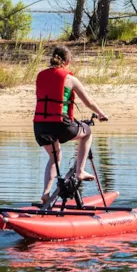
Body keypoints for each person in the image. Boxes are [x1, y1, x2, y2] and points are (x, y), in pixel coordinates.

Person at [33, 46, 108, 202]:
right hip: (61, 125)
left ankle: (46, 193)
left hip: (40, 126)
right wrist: (101, 114)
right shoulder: (70, 79)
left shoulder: (41, 75)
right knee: (86, 132)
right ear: (68, 61)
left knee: (55, 157)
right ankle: (80, 170)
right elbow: (89, 102)